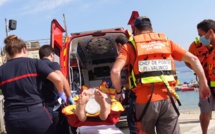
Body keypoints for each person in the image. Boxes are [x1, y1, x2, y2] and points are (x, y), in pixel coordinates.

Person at [111, 16, 211, 134]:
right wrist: (203, 83)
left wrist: (118, 92)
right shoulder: (167, 43)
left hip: (144, 101)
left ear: (136, 31)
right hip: (169, 98)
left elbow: (115, 71)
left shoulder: (130, 47)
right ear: (152, 29)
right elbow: (194, 59)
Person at [0, 35, 66, 134]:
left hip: (12, 118)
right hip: (36, 114)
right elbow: (58, 79)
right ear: (24, 50)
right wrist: (61, 93)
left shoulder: (1, 70)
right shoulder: (34, 63)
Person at [186, 19, 215, 134]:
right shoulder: (195, 45)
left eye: (201, 35)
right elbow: (187, 60)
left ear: (210, 32)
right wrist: (197, 70)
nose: (199, 38)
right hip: (205, 84)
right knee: (204, 112)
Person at [39, 45, 74, 134]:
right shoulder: (52, 64)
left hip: (40, 109)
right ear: (51, 55)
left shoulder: (35, 66)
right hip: (54, 107)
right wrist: (68, 96)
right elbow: (61, 78)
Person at [115, 35, 138, 134]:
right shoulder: (135, 51)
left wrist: (119, 91)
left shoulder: (124, 54)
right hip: (145, 92)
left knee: (133, 123)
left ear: (119, 45)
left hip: (135, 93)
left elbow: (116, 72)